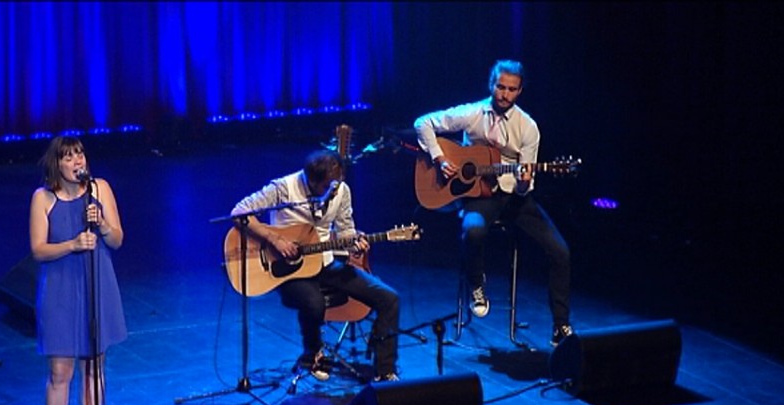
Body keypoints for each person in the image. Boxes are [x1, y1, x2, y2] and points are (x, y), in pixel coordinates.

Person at [414, 59, 573, 347]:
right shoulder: (473, 112)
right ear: (491, 84)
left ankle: (560, 326)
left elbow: (526, 182)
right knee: (472, 230)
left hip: (515, 199)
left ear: (520, 91)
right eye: (500, 87)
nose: (504, 94)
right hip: (478, 196)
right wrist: (439, 157)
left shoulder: (528, 127)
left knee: (560, 251)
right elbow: (422, 123)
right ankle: (476, 283)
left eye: (511, 89)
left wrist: (525, 181)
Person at [231, 149, 401, 382]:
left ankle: (385, 370)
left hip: (325, 263)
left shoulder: (341, 189)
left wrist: (355, 244)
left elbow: (346, 230)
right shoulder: (284, 188)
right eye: (326, 186)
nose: (333, 189)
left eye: (337, 182)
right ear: (310, 180)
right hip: (287, 270)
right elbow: (240, 212)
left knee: (388, 297)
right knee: (313, 302)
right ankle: (312, 355)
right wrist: (274, 239)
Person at [29, 136, 127, 405]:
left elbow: (116, 240)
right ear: (57, 164)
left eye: (80, 154)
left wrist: (101, 224)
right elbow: (38, 250)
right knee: (60, 371)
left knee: (93, 367)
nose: (76, 161)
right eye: (68, 157)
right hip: (60, 287)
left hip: (95, 283)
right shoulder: (43, 199)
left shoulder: (100, 189)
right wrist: (71, 244)